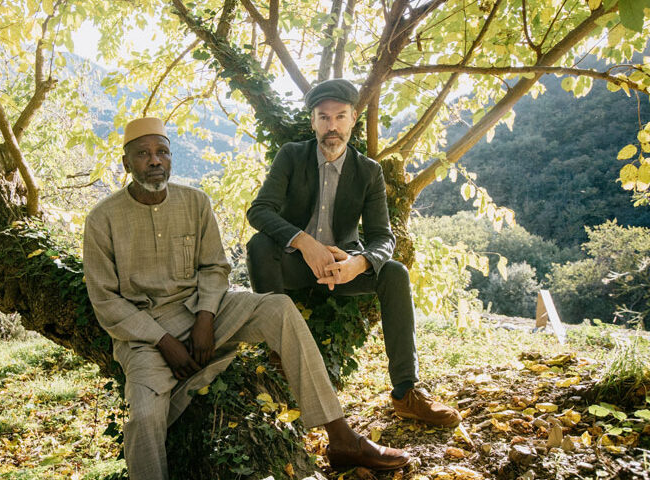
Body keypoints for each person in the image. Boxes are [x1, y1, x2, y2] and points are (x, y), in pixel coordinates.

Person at [83, 117, 412, 480]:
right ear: (127, 163)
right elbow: (106, 301)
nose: (155, 161)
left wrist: (206, 318)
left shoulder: (195, 202)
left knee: (279, 308)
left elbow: (213, 268)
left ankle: (341, 438)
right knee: (144, 416)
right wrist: (162, 341)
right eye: (143, 154)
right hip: (145, 335)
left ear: (171, 157)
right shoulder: (102, 220)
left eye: (162, 152)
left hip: (203, 311)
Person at [246, 79, 462, 428]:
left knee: (394, 273)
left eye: (340, 117)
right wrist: (305, 242)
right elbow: (260, 211)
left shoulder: (369, 171)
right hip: (294, 267)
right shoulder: (291, 155)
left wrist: (356, 264)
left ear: (352, 120)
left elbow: (382, 237)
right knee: (258, 246)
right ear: (313, 121)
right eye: (324, 117)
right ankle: (278, 356)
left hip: (342, 271)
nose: (332, 126)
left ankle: (406, 392)